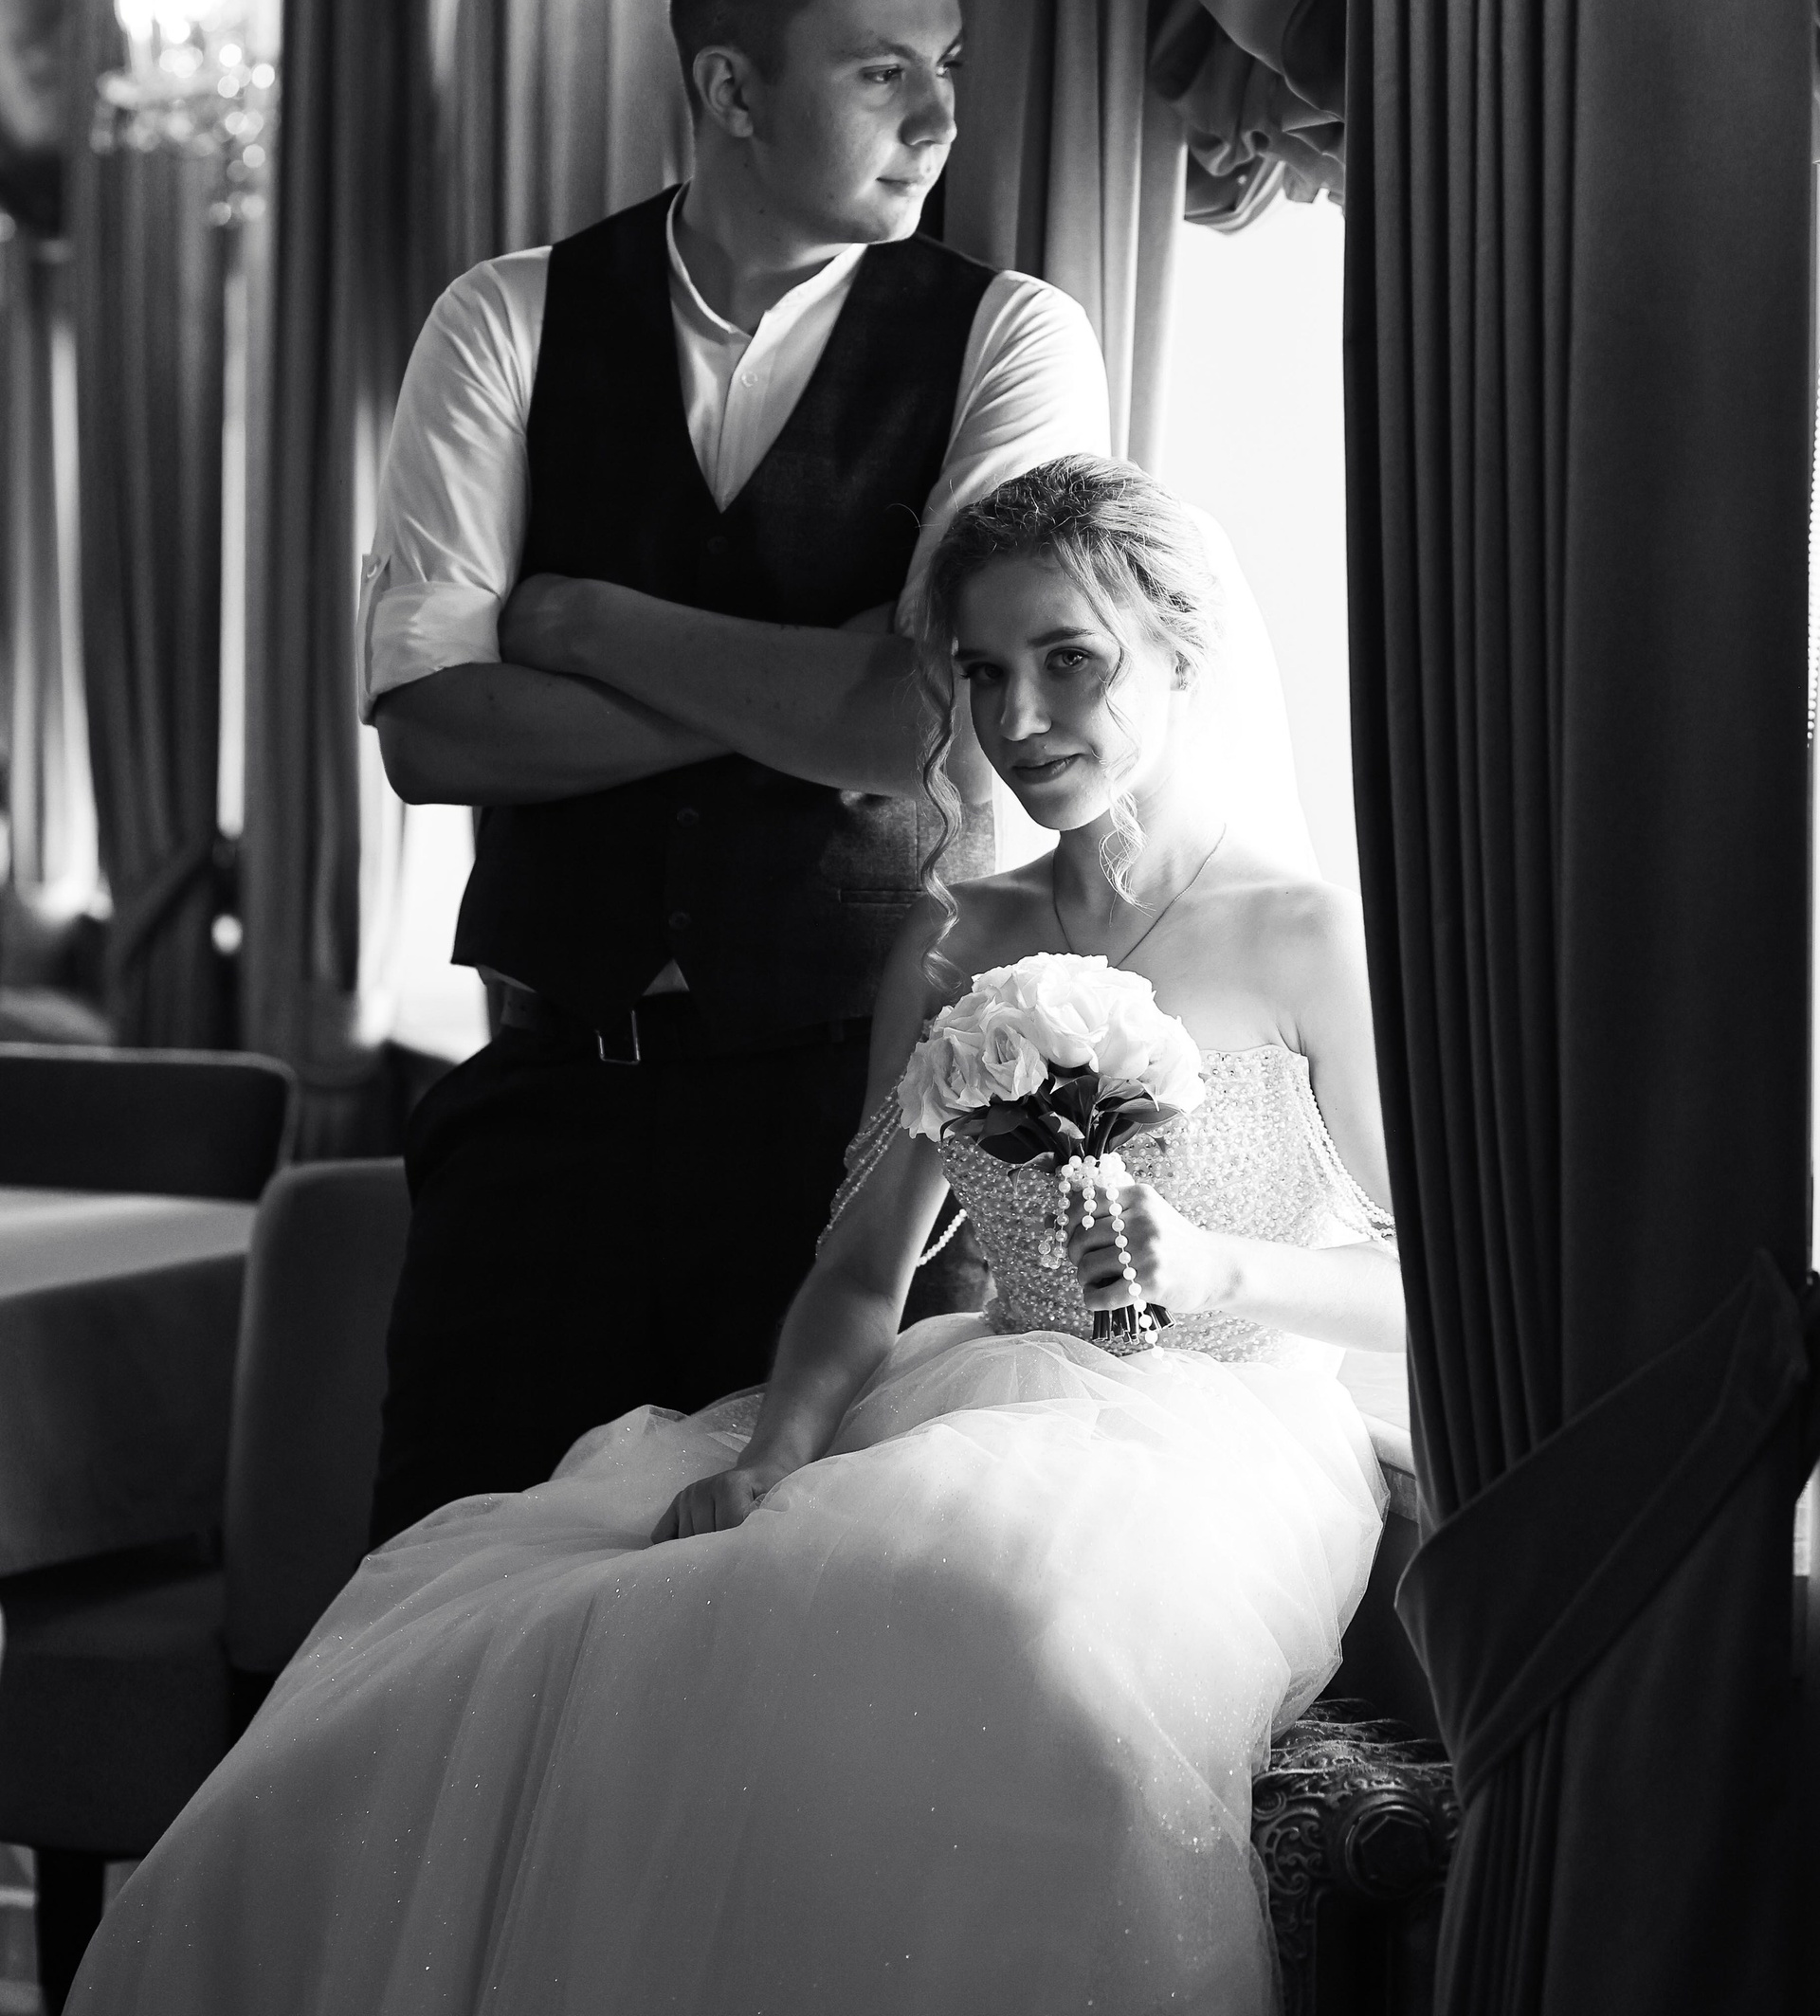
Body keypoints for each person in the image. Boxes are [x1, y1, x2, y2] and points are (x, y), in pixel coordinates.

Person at [69, 457, 1400, 2016]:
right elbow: (862, 1265)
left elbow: (1432, 1285)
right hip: (977, 1397)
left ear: (1183, 653)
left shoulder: (1309, 934)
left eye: (1069, 660)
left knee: (1004, 1632)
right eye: (983, 672)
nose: (1021, 716)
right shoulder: (961, 931)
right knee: (529, 1644)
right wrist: (776, 1452)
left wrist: (1218, 1267)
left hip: (1220, 1444)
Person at [357, 0, 1309, 1540]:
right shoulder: (505, 322)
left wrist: (577, 621)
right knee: (438, 1584)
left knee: (758, 1613)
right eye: (883, 73)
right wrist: (807, 680)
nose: (939, 118)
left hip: (838, 1132)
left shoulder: (1013, 336)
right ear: (732, 89)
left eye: (948, 66)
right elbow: (432, 735)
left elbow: (915, 718)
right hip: (542, 1106)